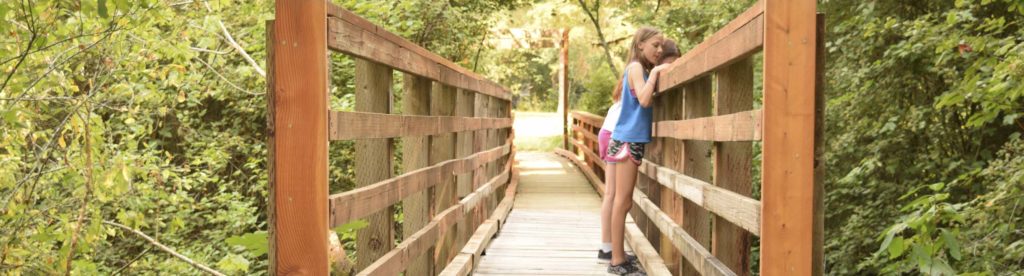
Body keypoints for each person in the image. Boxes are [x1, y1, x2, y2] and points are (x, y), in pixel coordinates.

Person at [597, 39, 680, 265]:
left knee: (618, 200)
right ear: (641, 44)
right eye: (655, 45)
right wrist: (655, 75)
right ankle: (617, 260)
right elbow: (644, 101)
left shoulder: (636, 69)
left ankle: (614, 253)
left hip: (622, 137)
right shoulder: (636, 68)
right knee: (622, 202)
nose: (659, 50)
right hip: (627, 140)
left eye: (661, 47)